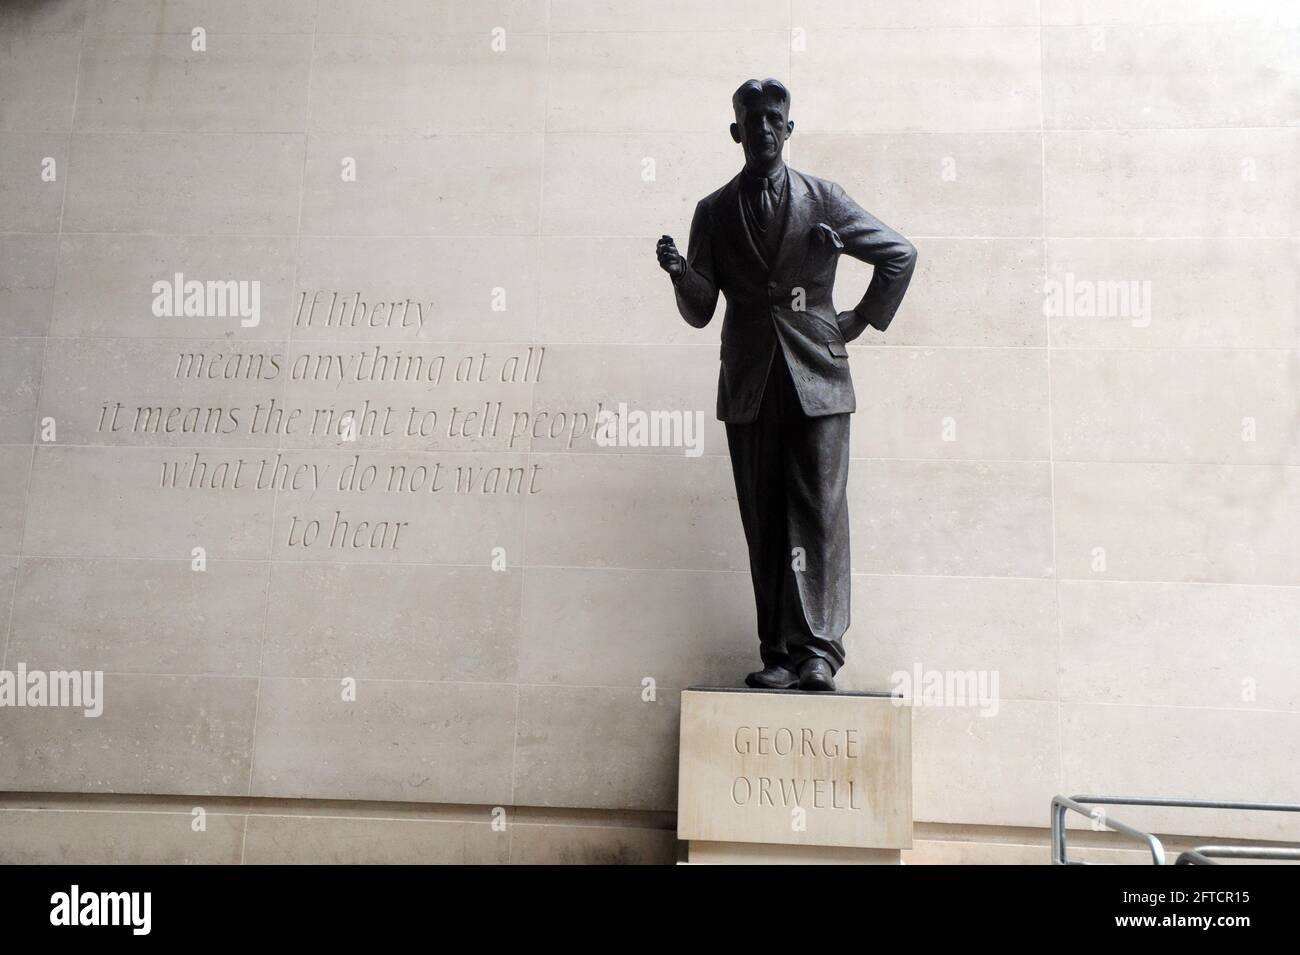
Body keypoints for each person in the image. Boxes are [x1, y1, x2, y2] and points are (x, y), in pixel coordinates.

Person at [656, 78, 916, 692]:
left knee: (820, 515)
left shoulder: (823, 199)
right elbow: (701, 310)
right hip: (750, 382)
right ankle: (777, 652)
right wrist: (679, 276)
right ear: (736, 131)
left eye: (776, 118)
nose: (765, 129)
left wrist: (858, 319)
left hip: (818, 379)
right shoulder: (713, 211)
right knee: (764, 518)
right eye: (754, 120)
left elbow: (899, 254)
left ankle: (820, 652)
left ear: (789, 129)